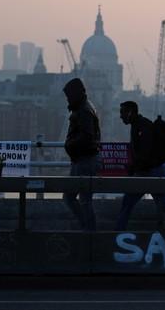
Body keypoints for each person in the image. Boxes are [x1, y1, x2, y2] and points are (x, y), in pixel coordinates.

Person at [115, 101, 165, 231]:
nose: (121, 116)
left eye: (122, 112)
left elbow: (144, 155)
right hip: (151, 171)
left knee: (128, 205)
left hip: (148, 172)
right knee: (164, 205)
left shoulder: (141, 126)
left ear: (130, 112)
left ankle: (116, 235)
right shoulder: (139, 125)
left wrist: (133, 167)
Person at [62, 77, 101, 231]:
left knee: (76, 199)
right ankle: (88, 229)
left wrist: (70, 144)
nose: (67, 99)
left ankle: (89, 230)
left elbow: (87, 136)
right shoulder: (85, 107)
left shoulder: (84, 111)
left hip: (85, 161)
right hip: (83, 160)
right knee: (80, 199)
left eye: (69, 96)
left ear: (76, 94)